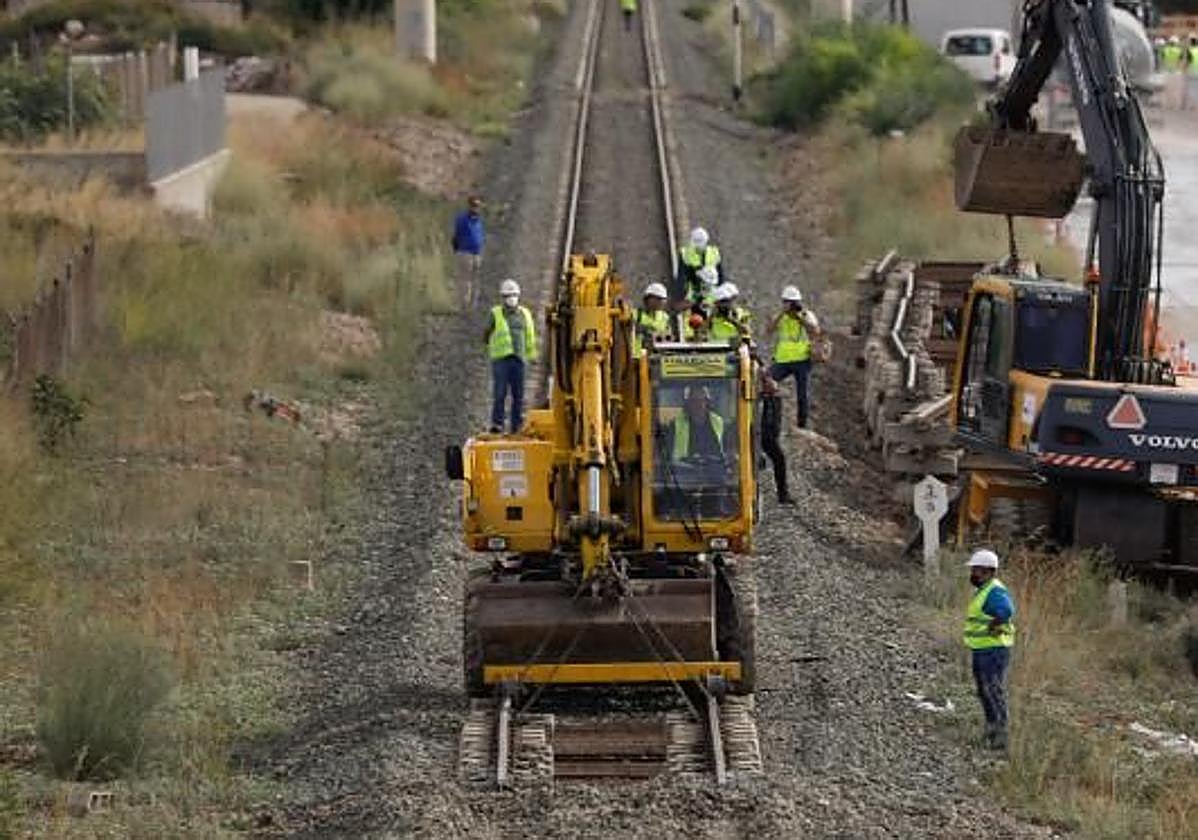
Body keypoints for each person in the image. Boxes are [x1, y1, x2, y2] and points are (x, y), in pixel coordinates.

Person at [963, 549, 1016, 751]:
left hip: (993, 650)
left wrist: (995, 625)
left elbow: (1006, 610)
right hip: (982, 649)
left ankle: (1000, 733)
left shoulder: (995, 591)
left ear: (987, 571)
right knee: (984, 689)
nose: (973, 574)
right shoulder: (985, 590)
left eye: (976, 570)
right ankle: (991, 728)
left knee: (992, 689)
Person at [484, 279, 537, 433]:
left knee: (518, 395)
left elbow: (530, 335)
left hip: (518, 359)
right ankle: (497, 424)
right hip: (501, 360)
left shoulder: (525, 314)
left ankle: (516, 426)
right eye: (508, 296)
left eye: (513, 295)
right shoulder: (495, 313)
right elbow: (486, 332)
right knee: (500, 393)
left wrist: (531, 355)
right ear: (503, 298)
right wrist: (491, 347)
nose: (511, 298)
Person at [766, 285, 820, 429]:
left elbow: (815, 331)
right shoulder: (781, 317)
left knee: (802, 395)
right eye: (787, 302)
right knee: (766, 382)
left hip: (802, 360)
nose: (790, 306)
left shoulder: (806, 315)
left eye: (793, 303)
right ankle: (769, 417)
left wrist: (799, 318)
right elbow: (769, 330)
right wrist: (781, 314)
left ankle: (802, 424)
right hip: (782, 360)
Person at [759, 374, 793, 504]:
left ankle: (782, 494)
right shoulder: (758, 400)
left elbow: (776, 422)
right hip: (755, 435)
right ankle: (782, 494)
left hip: (768, 437)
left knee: (779, 460)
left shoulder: (775, 400)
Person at [667, 386, 724, 462]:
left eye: (701, 400)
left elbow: (726, 451)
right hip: (683, 470)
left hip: (714, 470)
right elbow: (667, 453)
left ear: (707, 402)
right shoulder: (675, 424)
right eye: (694, 401)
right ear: (688, 403)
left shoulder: (718, 421)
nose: (698, 405)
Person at [452, 195, 485, 308]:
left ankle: (473, 305)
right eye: (474, 206)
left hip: (477, 253)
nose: (476, 208)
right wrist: (457, 248)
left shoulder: (478, 220)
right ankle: (464, 305)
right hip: (465, 253)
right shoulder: (462, 219)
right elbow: (457, 235)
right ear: (469, 206)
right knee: (465, 280)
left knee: (476, 280)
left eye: (477, 206)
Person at [675, 227, 723, 303]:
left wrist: (721, 293)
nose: (699, 247)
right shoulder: (685, 253)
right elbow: (681, 278)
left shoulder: (714, 252)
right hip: (693, 290)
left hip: (711, 288)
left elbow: (721, 275)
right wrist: (680, 296)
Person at [633, 282, 671, 354]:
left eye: (664, 299)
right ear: (649, 299)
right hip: (639, 354)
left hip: (658, 354)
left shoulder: (665, 317)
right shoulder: (636, 315)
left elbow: (668, 338)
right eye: (659, 298)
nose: (663, 302)